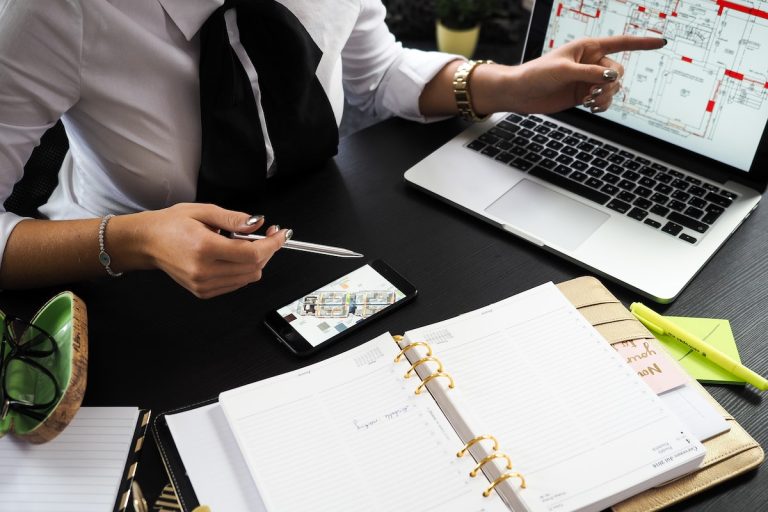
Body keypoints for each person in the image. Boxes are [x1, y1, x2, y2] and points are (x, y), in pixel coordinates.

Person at [0, 0, 664, 298]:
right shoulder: (52, 10)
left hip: (315, 234)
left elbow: (371, 74)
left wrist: (506, 86)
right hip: (132, 287)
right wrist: (133, 240)